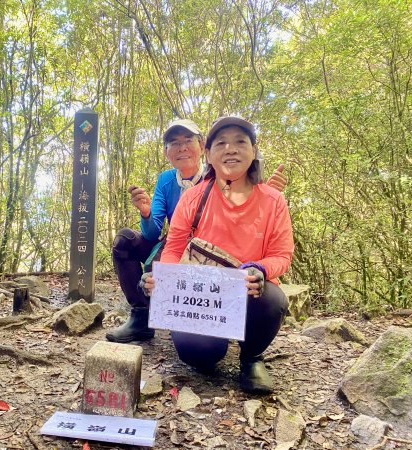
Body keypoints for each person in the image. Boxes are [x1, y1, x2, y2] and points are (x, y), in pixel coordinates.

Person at [143, 116, 294, 394]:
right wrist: (162, 278)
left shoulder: (273, 200)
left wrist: (259, 269)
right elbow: (175, 246)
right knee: (199, 354)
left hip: (247, 291)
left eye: (240, 142)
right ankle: (213, 344)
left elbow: (282, 254)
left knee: (272, 299)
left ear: (253, 150)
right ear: (209, 155)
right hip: (203, 294)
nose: (231, 149)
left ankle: (251, 357)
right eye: (221, 143)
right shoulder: (195, 196)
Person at [106, 118, 287, 343]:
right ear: (166, 152)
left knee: (265, 297)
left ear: (202, 147)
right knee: (128, 243)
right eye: (174, 143)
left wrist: (265, 197)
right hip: (181, 249)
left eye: (187, 140)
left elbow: (249, 223)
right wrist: (146, 213)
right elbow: (155, 235)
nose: (181, 148)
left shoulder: (221, 176)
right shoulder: (166, 180)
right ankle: (142, 316)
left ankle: (247, 351)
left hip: (218, 264)